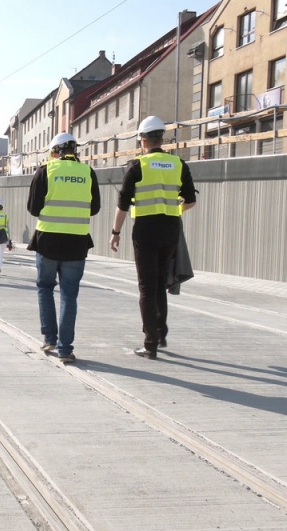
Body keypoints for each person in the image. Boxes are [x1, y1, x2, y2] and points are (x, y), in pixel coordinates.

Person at [110, 115, 197, 359]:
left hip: (145, 231)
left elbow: (122, 205)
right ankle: (160, 332)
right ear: (161, 138)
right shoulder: (179, 164)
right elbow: (191, 201)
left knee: (147, 287)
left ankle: (150, 344)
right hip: (170, 230)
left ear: (142, 140)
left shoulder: (137, 166)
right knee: (161, 284)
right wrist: (173, 209)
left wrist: (115, 233)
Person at [27, 132, 101, 364]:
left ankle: (50, 338)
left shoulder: (46, 170)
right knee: (69, 294)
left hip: (48, 240)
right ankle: (65, 349)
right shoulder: (88, 172)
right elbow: (94, 207)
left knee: (45, 287)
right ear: (74, 150)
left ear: (55, 150)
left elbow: (33, 207)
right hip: (76, 242)